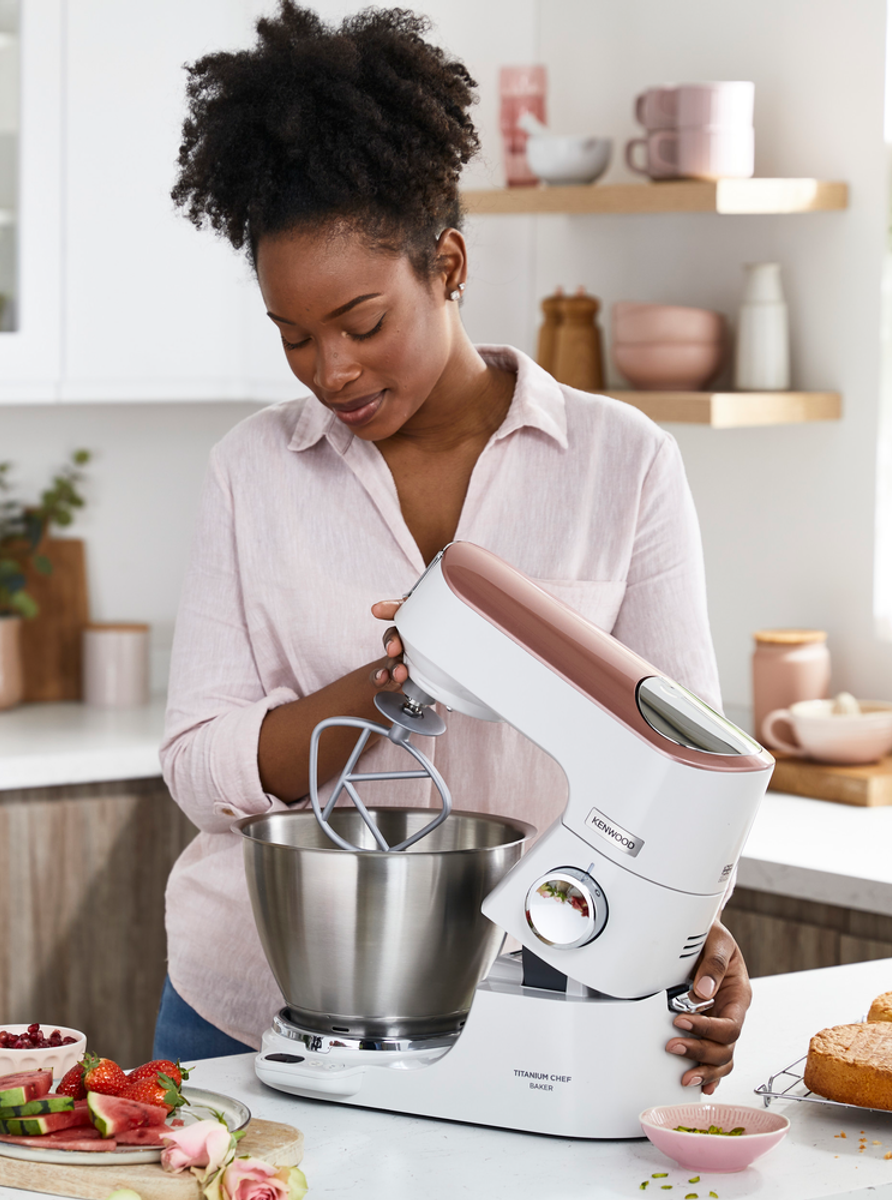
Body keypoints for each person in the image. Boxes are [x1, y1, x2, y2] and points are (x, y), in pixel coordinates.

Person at [155, 1, 752, 1094]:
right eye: (294, 335)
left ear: (449, 265)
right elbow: (198, 771)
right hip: (250, 1001)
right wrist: (378, 689)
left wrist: (691, 938)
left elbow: (690, 773)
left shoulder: (621, 465)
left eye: (363, 320)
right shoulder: (251, 471)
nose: (330, 369)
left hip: (524, 1013)